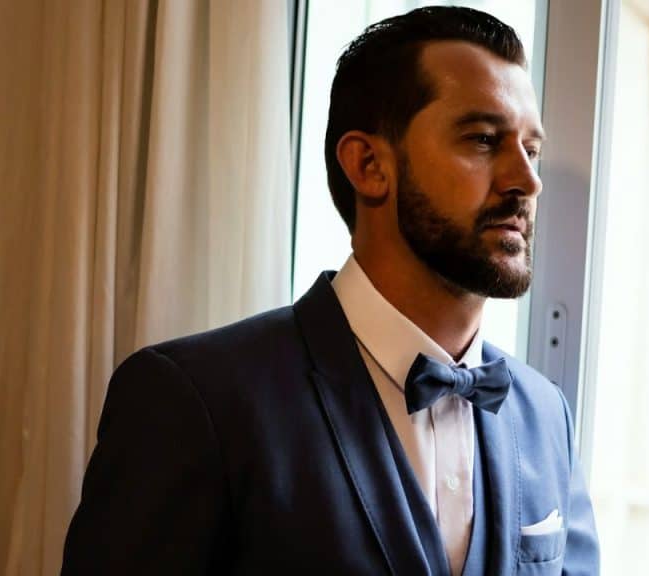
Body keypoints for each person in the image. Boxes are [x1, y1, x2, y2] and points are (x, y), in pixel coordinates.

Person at [61, 6, 599, 575]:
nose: (527, 180)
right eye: (484, 140)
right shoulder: (195, 401)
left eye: (531, 149)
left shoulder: (546, 417)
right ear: (368, 165)